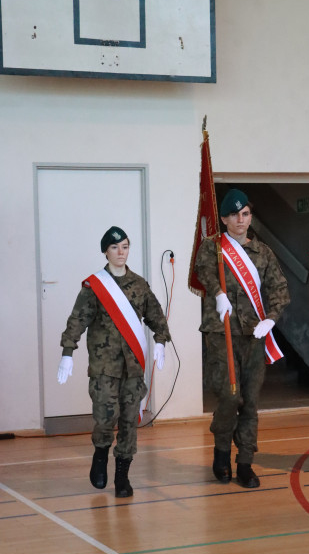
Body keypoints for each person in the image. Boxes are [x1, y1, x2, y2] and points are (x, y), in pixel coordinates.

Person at [57, 226, 171, 497]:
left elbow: (156, 316)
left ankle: (122, 475)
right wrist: (67, 352)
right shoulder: (94, 286)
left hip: (132, 368)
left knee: (130, 420)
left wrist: (161, 341)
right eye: (115, 247)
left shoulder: (140, 285)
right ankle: (100, 455)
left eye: (125, 247)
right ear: (105, 251)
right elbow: (77, 320)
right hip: (104, 367)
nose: (121, 252)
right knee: (105, 418)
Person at [194, 189, 290, 488]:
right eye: (234, 215)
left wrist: (271, 318)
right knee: (229, 396)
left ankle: (245, 461)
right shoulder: (212, 247)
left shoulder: (264, 253)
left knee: (249, 401)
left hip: (253, 335)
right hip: (221, 334)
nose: (240, 219)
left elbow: (280, 290)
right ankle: (221, 449)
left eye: (245, 213)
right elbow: (204, 272)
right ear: (223, 219)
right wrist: (219, 293)